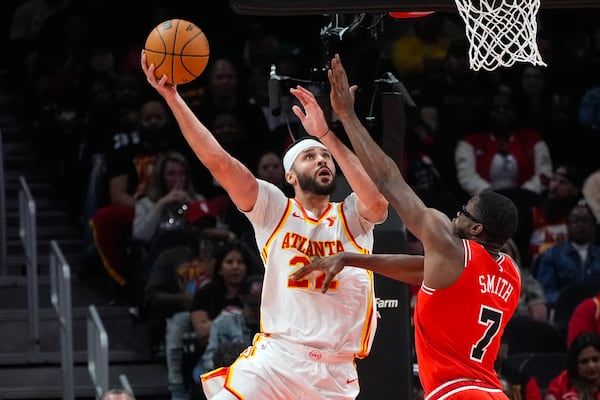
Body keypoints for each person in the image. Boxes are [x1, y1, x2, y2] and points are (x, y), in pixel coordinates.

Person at [141, 48, 388, 400]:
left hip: (336, 372)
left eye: (326, 157)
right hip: (276, 361)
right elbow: (220, 163)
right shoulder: (274, 209)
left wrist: (326, 135)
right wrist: (173, 98)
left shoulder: (351, 215)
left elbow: (378, 202)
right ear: (289, 174)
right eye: (309, 155)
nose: (321, 159)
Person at [291, 53, 521, 399]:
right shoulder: (511, 274)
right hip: (492, 392)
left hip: (457, 393)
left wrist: (346, 115)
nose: (456, 214)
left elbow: (388, 179)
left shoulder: (449, 245)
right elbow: (421, 270)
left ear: (476, 230)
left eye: (464, 211)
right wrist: (353, 258)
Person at [192, 273, 263, 382]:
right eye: (251, 305)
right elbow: (209, 358)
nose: (255, 310)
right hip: (225, 376)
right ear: (242, 301)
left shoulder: (275, 328)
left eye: (259, 305)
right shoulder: (224, 321)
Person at [536, 203, 600, 308]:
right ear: (568, 226)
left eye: (585, 221)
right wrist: (570, 301)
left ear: (593, 226)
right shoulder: (552, 254)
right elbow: (546, 291)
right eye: (575, 221)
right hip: (562, 310)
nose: (580, 225)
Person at [545, 332, 600, 400]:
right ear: (575, 364)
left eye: (595, 360)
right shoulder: (560, 384)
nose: (591, 366)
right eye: (584, 362)